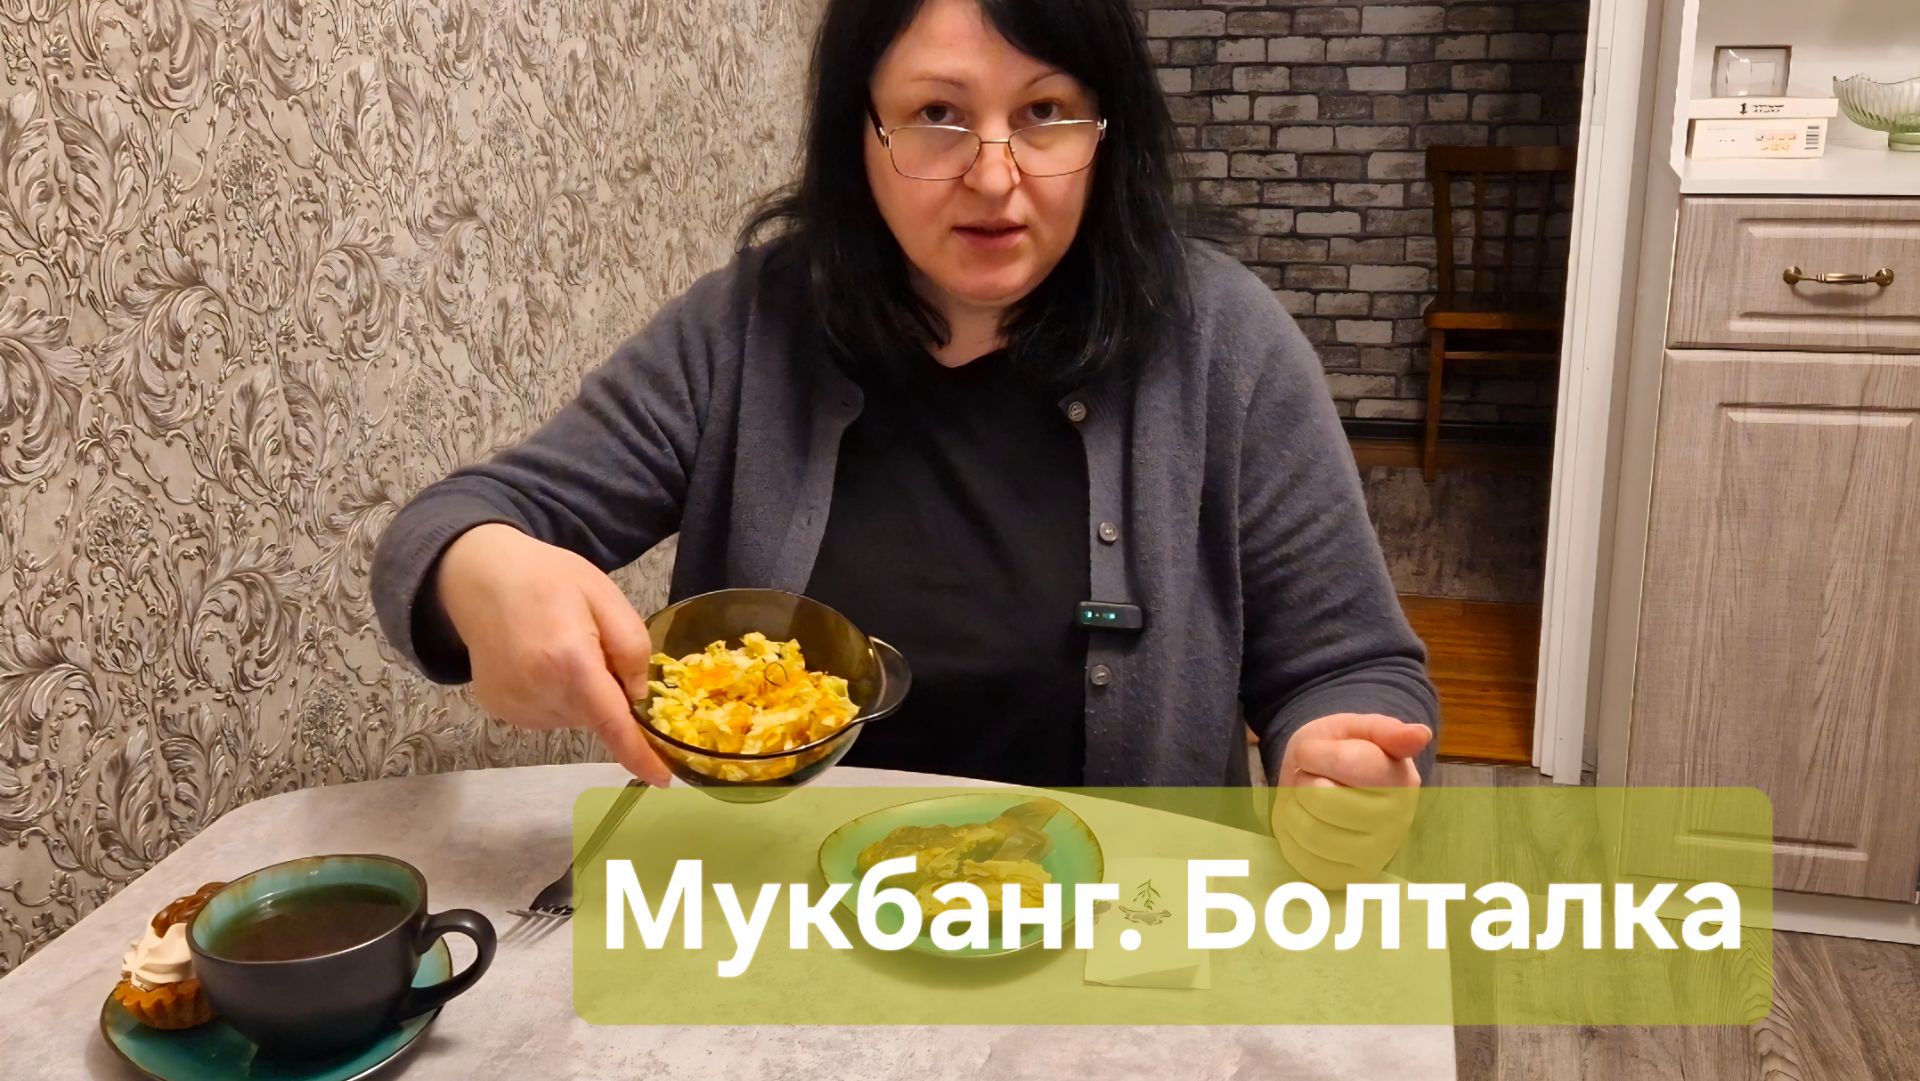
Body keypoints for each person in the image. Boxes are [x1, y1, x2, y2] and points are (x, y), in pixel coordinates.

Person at [371, 0, 1440, 881]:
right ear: (861, 131)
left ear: (1105, 131)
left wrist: (1342, 763)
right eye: (937, 114)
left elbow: (1351, 666)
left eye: (1046, 112)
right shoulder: (747, 329)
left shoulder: (1223, 343)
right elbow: (455, 525)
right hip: (784, 923)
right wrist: (480, 569)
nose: (994, 175)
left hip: (1111, 950)